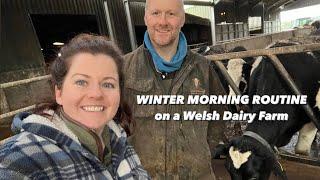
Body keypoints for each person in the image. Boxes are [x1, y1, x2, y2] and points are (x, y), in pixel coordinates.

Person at [0, 34, 150, 180]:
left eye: (108, 84)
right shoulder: (21, 159)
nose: (96, 94)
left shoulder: (118, 139)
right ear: (59, 92)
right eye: (81, 82)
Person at [122, 0, 228, 179]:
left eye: (171, 14)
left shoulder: (203, 68)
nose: (163, 21)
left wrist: (200, 153)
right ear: (146, 17)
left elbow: (218, 114)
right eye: (156, 13)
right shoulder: (125, 68)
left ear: (182, 19)